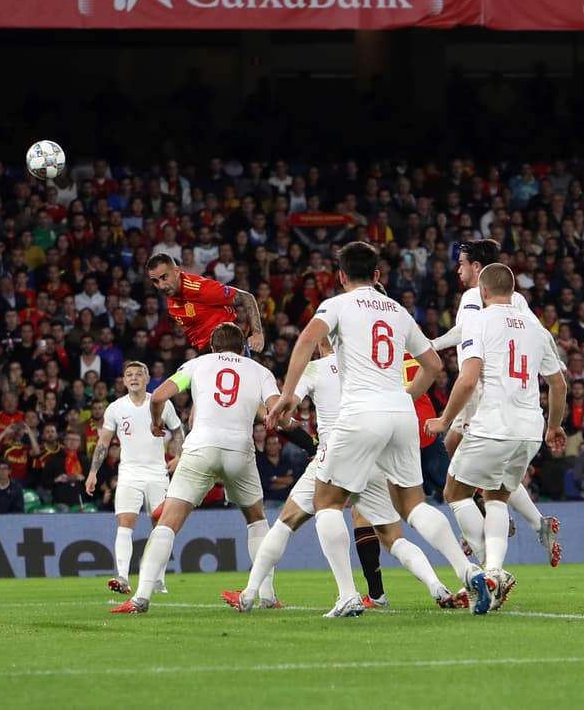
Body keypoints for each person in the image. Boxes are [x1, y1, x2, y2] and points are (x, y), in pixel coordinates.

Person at [266, 241, 486, 617]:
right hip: (401, 414)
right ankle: (469, 570)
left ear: (340, 276)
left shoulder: (336, 305)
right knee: (413, 505)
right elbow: (432, 364)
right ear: (378, 275)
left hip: (360, 412)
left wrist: (288, 394)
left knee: (327, 502)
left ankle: (348, 594)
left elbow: (305, 340)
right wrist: (405, 396)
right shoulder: (398, 310)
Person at [226, 337, 465, 613]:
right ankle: (437, 586)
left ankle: (253, 594)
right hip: (374, 453)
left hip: (336, 452)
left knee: (288, 521)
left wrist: (288, 424)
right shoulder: (365, 367)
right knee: (393, 536)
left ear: (321, 345)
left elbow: (286, 409)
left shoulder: (314, 369)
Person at [110, 322, 279, 614]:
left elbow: (160, 396)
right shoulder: (260, 371)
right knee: (256, 519)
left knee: (168, 523)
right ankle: (267, 596)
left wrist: (155, 422)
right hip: (240, 449)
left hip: (200, 447)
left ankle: (140, 598)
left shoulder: (198, 364)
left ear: (212, 348)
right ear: (243, 349)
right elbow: (276, 410)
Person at [426, 263, 566, 613]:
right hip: (530, 429)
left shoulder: (480, 321)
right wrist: (554, 427)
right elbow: (559, 384)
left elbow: (469, 379)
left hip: (493, 425)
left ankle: (489, 568)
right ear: (514, 290)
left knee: (455, 493)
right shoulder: (537, 328)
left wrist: (445, 419)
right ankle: (493, 572)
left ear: (483, 292)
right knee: (497, 497)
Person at [85, 360, 179, 596]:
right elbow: (104, 442)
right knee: (125, 524)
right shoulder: (116, 408)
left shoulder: (161, 403)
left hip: (158, 473)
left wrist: (179, 456)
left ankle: (158, 577)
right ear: (124, 381)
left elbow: (178, 430)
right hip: (128, 474)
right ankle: (123, 577)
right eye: (129, 375)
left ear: (147, 379)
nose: (134, 377)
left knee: (161, 527)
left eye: (139, 373)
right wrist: (93, 472)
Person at [145, 252, 265, 353]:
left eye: (164, 277)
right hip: (208, 354)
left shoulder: (199, 288)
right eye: (155, 281)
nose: (161, 286)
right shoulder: (171, 298)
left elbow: (246, 297)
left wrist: (257, 334)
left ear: (176, 271)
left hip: (231, 349)